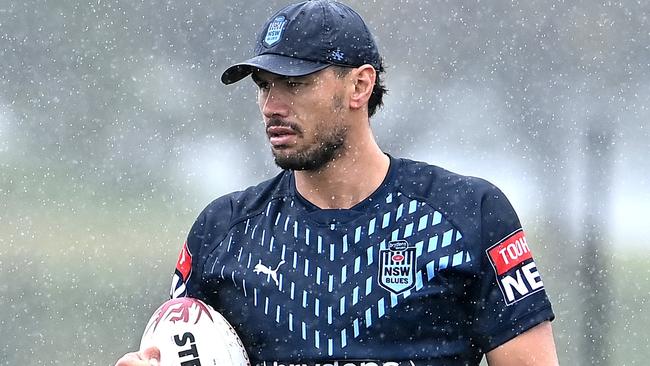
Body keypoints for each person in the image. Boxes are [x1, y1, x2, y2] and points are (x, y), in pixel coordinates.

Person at [116, 1, 559, 365]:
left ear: (359, 86)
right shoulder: (222, 230)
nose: (272, 105)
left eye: (294, 83)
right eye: (264, 85)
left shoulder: (469, 213)